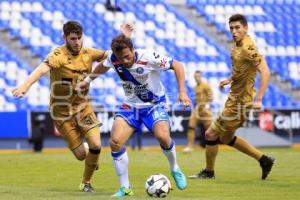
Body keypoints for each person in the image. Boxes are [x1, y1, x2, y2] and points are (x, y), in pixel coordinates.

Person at [12, 20, 133, 192]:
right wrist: (25, 85)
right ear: (65, 37)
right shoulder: (57, 55)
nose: (77, 42)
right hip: (61, 112)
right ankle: (86, 153)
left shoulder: (88, 53)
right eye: (73, 39)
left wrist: (125, 37)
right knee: (81, 156)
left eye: (79, 38)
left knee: (96, 146)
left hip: (83, 108)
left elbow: (112, 55)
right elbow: (42, 69)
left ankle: (86, 182)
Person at [77, 34, 190, 197]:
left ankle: (175, 169)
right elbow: (102, 66)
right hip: (130, 106)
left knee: (163, 137)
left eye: (127, 56)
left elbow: (177, 65)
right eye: (121, 58)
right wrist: (87, 81)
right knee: (115, 142)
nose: (125, 61)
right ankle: (125, 188)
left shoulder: (149, 57)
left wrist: (182, 92)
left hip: (154, 104)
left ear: (133, 50)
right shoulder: (114, 58)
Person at [188, 14, 275, 180]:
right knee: (226, 137)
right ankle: (264, 160)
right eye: (231, 28)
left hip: (241, 102)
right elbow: (241, 68)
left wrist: (259, 99)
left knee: (210, 135)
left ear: (246, 28)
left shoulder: (248, 48)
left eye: (237, 28)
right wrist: (229, 79)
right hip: (234, 98)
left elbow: (265, 71)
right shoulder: (237, 45)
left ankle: (208, 172)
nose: (234, 31)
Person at [183, 70, 213, 153]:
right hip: (197, 108)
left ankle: (211, 146)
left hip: (205, 108)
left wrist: (207, 105)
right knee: (191, 126)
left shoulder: (205, 85)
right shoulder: (195, 87)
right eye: (195, 77)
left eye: (198, 76)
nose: (197, 78)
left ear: (201, 76)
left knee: (209, 128)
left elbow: (210, 96)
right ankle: (190, 146)